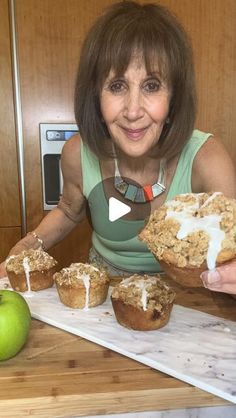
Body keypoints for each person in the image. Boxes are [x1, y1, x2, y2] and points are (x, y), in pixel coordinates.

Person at [0, 1, 236, 290]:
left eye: (151, 85)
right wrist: (28, 244)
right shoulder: (77, 152)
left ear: (174, 99)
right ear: (96, 98)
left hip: (189, 295)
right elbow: (69, 210)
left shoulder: (208, 159)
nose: (133, 111)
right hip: (103, 291)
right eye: (116, 86)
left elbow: (230, 244)